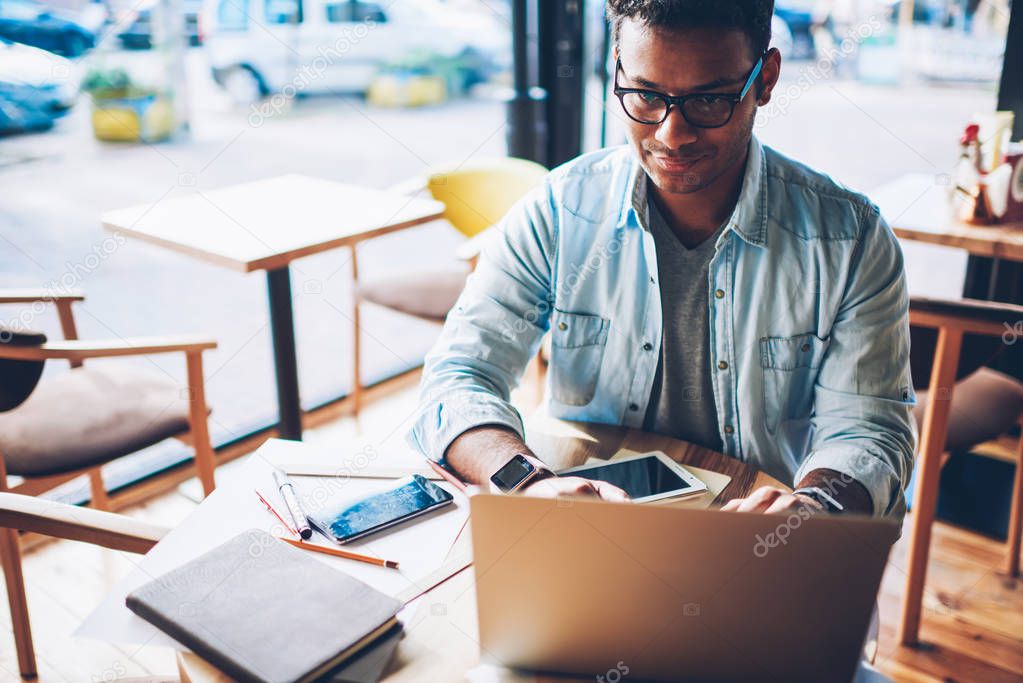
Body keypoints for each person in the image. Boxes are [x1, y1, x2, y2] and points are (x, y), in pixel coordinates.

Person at [408, 0, 916, 519]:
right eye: (646, 95)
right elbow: (459, 375)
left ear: (765, 80)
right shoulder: (560, 210)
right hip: (591, 528)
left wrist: (812, 510)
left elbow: (870, 431)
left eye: (710, 101)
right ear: (617, 71)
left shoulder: (849, 239)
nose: (672, 135)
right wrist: (525, 481)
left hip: (763, 543)